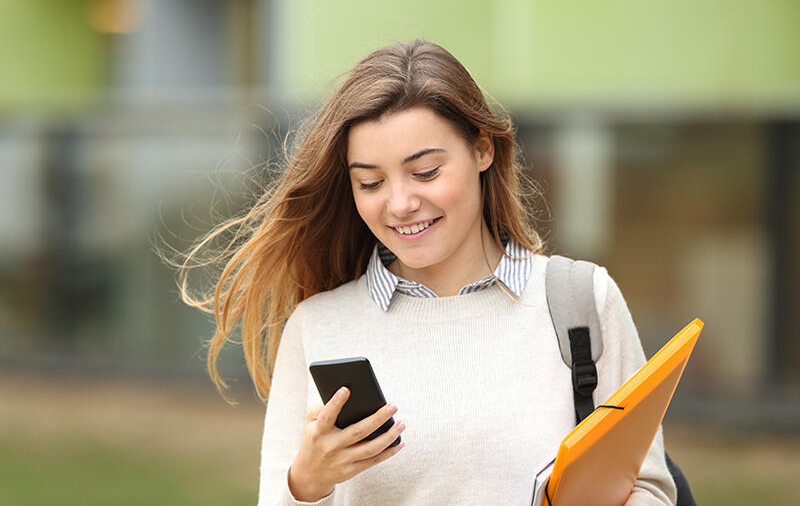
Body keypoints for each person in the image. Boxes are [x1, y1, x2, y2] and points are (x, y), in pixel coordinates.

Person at [175, 39, 677, 505]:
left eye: (426, 172)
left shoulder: (580, 301)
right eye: (370, 183)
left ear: (482, 149)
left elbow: (650, 487)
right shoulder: (319, 325)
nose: (399, 203)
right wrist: (306, 484)